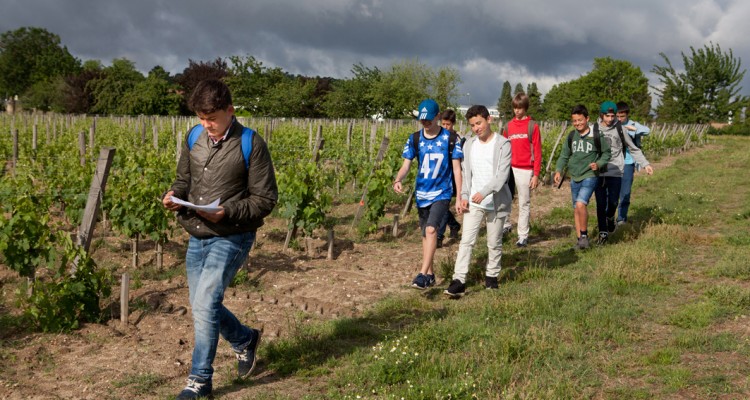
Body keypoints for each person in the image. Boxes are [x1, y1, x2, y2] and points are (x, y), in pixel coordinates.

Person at [162, 79, 278, 399]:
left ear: (230, 110)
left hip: (232, 235)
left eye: (212, 118)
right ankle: (244, 340)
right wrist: (174, 195)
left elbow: (265, 199)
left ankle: (200, 381)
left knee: (204, 304)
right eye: (201, 117)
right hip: (196, 233)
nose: (206, 125)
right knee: (203, 304)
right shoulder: (194, 136)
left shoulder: (250, 143)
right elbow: (183, 179)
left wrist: (227, 211)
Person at [393, 99, 463, 289]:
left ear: (438, 117)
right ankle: (431, 275)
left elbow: (457, 169)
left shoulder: (450, 138)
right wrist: (398, 179)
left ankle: (422, 274)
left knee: (432, 229)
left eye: (429, 119)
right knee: (425, 235)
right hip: (422, 193)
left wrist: (460, 196)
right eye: (422, 119)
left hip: (442, 192)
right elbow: (406, 165)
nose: (425, 122)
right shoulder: (414, 139)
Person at [444, 105, 512, 298]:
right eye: (473, 125)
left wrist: (483, 192)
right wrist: (464, 195)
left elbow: (502, 176)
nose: (476, 128)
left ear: (489, 120)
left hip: (495, 201)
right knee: (466, 241)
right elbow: (466, 174)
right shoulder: (468, 144)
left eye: (479, 123)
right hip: (473, 201)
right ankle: (459, 280)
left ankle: (491, 277)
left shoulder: (503, 144)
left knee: (494, 242)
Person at [594, 101, 653, 245]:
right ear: (601, 115)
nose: (610, 119)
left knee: (613, 201)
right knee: (601, 203)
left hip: (616, 170)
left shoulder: (620, 129)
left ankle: (610, 217)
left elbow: (632, 148)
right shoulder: (593, 129)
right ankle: (603, 234)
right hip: (598, 171)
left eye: (612, 116)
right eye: (607, 116)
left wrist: (645, 164)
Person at [553, 104, 611, 250]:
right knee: (576, 208)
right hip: (575, 176)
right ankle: (580, 241)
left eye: (580, 120)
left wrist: (598, 164)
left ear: (587, 119)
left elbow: (606, 153)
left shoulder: (596, 135)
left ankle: (584, 235)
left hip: (590, 175)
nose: (577, 123)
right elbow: (564, 155)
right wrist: (559, 170)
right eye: (575, 121)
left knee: (581, 204)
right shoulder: (572, 136)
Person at [502, 92, 543, 247]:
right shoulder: (508, 126)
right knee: (505, 199)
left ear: (525, 108)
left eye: (520, 108)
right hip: (509, 168)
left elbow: (538, 151)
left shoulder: (532, 126)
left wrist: (536, 174)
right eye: (515, 108)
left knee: (524, 202)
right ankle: (506, 225)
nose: (517, 111)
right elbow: (503, 148)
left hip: (525, 169)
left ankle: (523, 235)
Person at [615, 101, 650, 225]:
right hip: (613, 163)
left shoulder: (632, 124)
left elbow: (647, 131)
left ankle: (621, 218)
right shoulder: (611, 124)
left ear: (627, 114)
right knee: (611, 192)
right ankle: (609, 217)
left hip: (628, 162)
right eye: (617, 116)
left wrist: (632, 129)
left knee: (625, 192)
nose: (619, 119)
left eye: (622, 116)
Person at [436, 109, 463, 247]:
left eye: (448, 124)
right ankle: (454, 225)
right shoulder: (438, 137)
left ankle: (439, 237)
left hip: (452, 175)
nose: (445, 127)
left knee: (444, 204)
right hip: (441, 175)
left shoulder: (456, 139)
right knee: (440, 205)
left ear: (453, 124)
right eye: (443, 124)